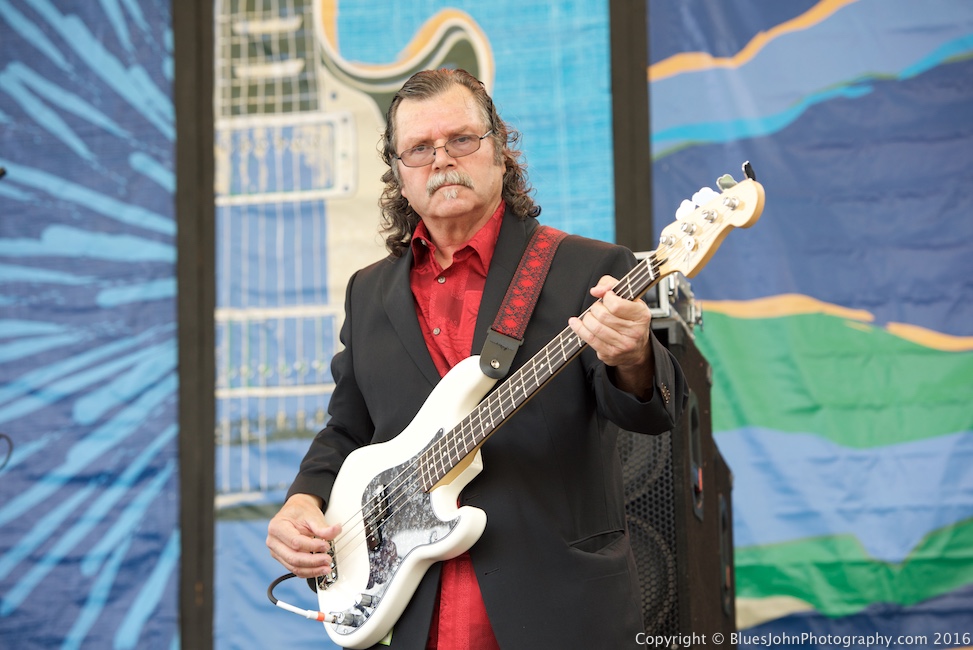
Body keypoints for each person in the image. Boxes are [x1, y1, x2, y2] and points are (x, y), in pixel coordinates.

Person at [266, 68, 687, 650]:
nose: (441, 159)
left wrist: (635, 354)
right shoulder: (369, 293)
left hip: (556, 611)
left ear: (500, 149)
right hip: (415, 612)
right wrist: (301, 500)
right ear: (399, 173)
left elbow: (648, 412)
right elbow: (348, 427)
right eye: (419, 148)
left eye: (461, 138)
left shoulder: (585, 269)